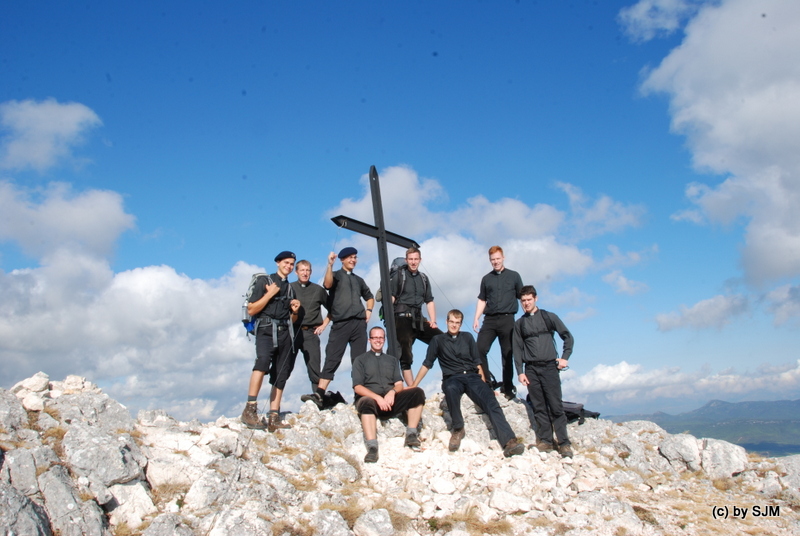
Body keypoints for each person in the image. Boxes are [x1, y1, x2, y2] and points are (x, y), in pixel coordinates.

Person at [412, 309, 524, 458]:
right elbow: (427, 364)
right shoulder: (437, 340)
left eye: (457, 323)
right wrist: (414, 385)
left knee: (491, 401)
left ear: (460, 324)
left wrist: (486, 385)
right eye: (451, 322)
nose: (454, 325)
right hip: (452, 378)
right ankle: (458, 429)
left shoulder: (468, 337)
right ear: (446, 322)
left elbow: (477, 362)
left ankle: (510, 442)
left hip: (472, 376)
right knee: (450, 390)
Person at [306, 247, 375, 408]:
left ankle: (359, 396)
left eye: (355, 257)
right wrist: (330, 265)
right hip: (340, 323)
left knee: (359, 360)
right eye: (349, 257)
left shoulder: (359, 280)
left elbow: (369, 297)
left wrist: (369, 310)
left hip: (359, 324)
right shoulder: (335, 275)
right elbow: (327, 284)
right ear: (342, 260)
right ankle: (320, 393)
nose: (353, 260)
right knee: (332, 357)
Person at [240, 251, 301, 431]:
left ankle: (274, 415)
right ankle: (250, 409)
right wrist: (269, 294)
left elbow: (292, 320)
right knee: (262, 362)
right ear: (278, 263)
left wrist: (295, 311)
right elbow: (251, 309)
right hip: (266, 329)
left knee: (281, 372)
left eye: (291, 264)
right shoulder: (264, 281)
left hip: (285, 332)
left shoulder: (290, 289)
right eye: (286, 262)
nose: (289, 266)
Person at [513, 285, 575, 458]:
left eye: (529, 300)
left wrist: (565, 357)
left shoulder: (549, 317)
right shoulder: (519, 324)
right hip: (531, 369)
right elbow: (517, 349)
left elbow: (567, 337)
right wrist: (520, 371)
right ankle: (546, 441)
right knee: (539, 406)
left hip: (549, 367)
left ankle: (564, 443)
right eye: (523, 301)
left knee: (556, 406)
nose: (526, 303)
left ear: (536, 299)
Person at [352, 326, 426, 463]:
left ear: (384, 339)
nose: (378, 340)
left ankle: (411, 434)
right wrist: (377, 398)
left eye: (381, 338)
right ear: (369, 340)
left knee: (417, 393)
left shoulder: (392, 360)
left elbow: (399, 384)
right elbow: (358, 387)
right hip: (371, 400)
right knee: (366, 402)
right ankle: (372, 448)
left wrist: (392, 392)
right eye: (375, 337)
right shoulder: (360, 360)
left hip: (390, 400)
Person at [472, 245, 523, 399]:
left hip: (508, 319)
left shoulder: (514, 276)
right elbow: (482, 299)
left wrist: (528, 316)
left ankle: (508, 388)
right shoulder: (486, 279)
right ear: (490, 260)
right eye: (493, 259)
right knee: (479, 349)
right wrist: (476, 317)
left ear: (503, 258)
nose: (496, 262)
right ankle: (487, 384)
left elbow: (522, 297)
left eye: (498, 258)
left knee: (507, 353)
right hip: (490, 319)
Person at [390, 246, 443, 386]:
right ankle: (412, 388)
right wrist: (390, 319)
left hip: (419, 319)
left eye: (416, 259)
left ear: (420, 260)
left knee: (443, 341)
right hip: (401, 317)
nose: (413, 262)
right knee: (405, 354)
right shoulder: (399, 276)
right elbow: (392, 297)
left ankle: (450, 376)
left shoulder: (424, 278)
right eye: (411, 259)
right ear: (406, 260)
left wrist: (433, 321)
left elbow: (429, 301)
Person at [290, 260, 331, 394]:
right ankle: (275, 405)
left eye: (307, 270)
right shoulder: (289, 288)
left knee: (314, 370)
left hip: (311, 333)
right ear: (296, 272)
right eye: (302, 270)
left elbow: (333, 309)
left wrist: (324, 325)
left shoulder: (318, 290)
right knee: (284, 368)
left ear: (311, 272)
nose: (305, 273)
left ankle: (318, 399)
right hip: (291, 332)